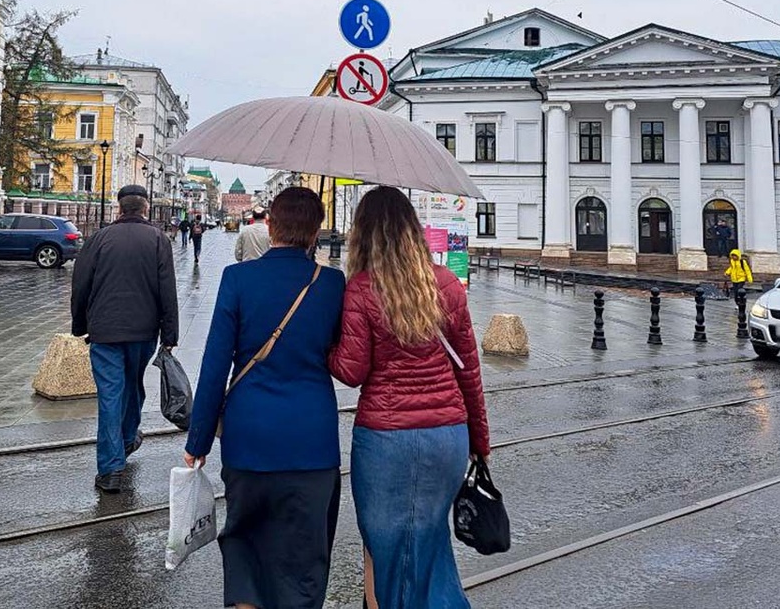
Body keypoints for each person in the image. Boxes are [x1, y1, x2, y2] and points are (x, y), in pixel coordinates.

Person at [185, 187, 346, 609]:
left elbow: (215, 364)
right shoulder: (331, 284)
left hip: (249, 437)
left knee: (245, 549)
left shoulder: (237, 278)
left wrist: (198, 440)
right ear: (315, 231)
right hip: (313, 441)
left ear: (271, 225)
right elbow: (339, 353)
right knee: (305, 558)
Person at [329, 186, 489, 609]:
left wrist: (326, 347)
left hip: (386, 440)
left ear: (363, 234)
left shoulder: (361, 289)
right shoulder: (447, 284)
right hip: (447, 436)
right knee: (431, 545)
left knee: (386, 551)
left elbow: (351, 371)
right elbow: (468, 370)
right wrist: (480, 442)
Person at [71, 185, 178, 493]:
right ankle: (128, 438)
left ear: (119, 209)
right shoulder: (158, 239)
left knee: (110, 395)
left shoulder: (99, 239)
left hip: (105, 330)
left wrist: (80, 325)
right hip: (143, 331)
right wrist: (169, 334)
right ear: (145, 208)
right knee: (133, 385)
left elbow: (81, 284)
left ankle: (110, 469)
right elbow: (167, 288)